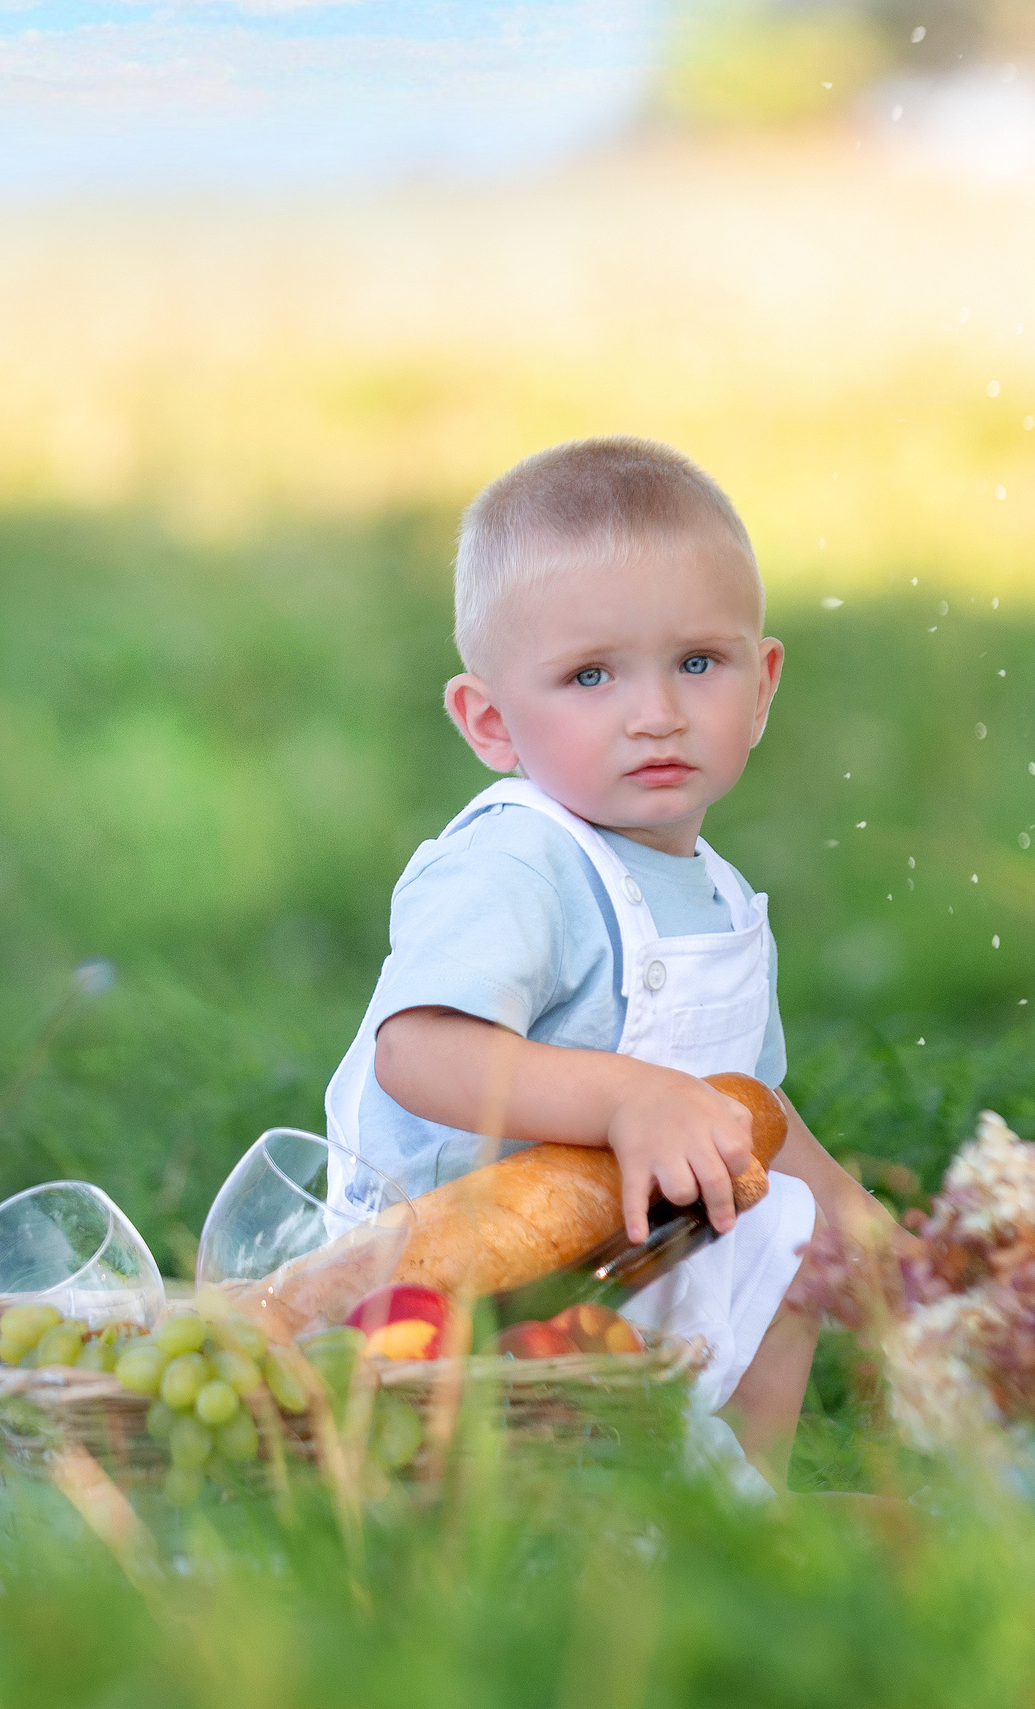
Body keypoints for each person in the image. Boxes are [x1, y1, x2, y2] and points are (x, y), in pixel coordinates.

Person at [322, 434, 899, 1489]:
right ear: (491, 720)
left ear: (762, 684)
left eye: (697, 662)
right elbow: (420, 1050)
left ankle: (737, 1503)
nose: (656, 713)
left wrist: (867, 1232)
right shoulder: (514, 861)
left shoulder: (717, 890)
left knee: (792, 1226)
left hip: (630, 1248)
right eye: (590, 674)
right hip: (454, 1281)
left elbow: (749, 1106)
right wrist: (627, 1096)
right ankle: (577, 1510)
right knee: (509, 1480)